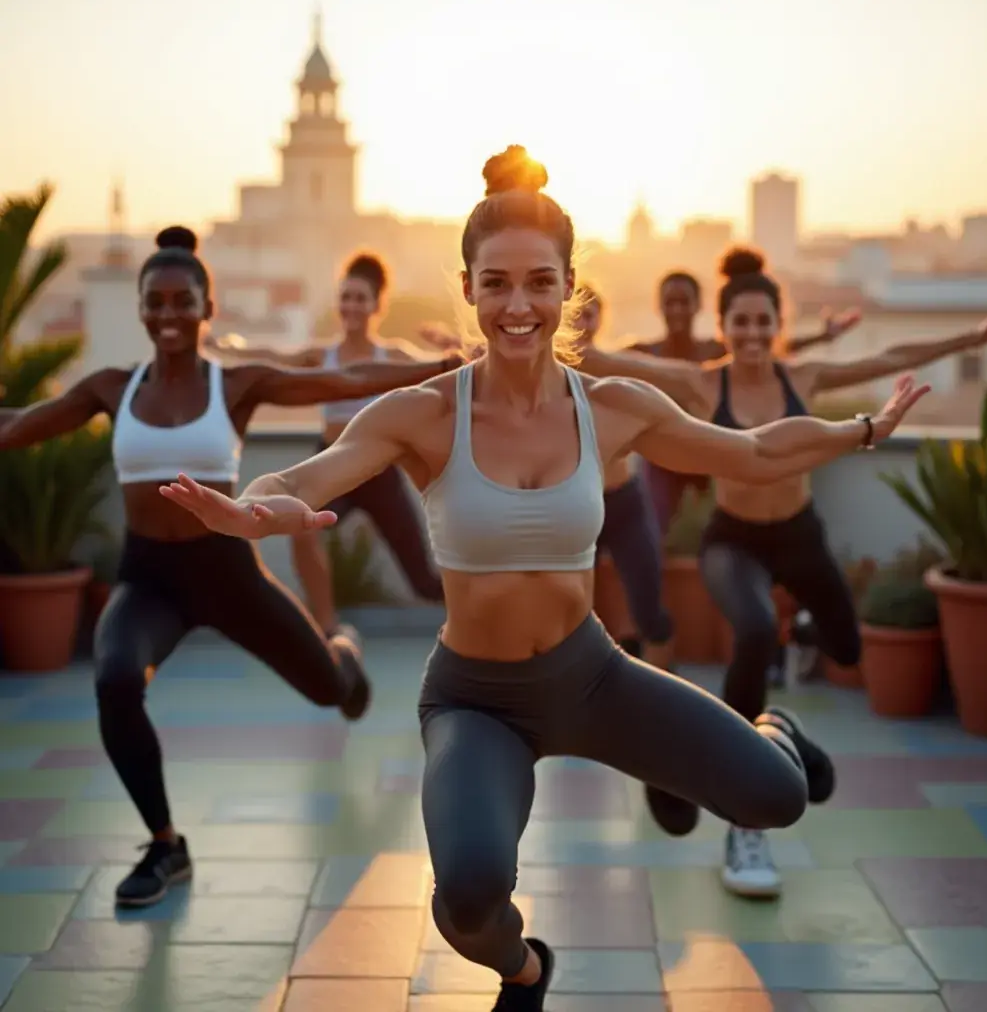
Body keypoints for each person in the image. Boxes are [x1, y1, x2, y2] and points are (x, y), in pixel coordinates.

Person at [161, 146, 928, 1012]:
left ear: (569, 289)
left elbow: (751, 452)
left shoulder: (614, 406)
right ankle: (526, 972)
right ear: (468, 290)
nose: (517, 306)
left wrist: (864, 428)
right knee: (467, 899)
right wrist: (256, 511)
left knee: (778, 798)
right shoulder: (422, 413)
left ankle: (776, 728)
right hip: (475, 700)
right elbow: (305, 476)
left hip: (593, 676)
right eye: (496, 284)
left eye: (538, 283)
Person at [0, 226, 461, 909]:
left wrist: (441, 368)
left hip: (229, 573)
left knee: (331, 690)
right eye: (154, 302)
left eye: (183, 302)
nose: (168, 315)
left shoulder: (238, 384)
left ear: (207, 308)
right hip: (148, 576)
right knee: (117, 676)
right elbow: (18, 424)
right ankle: (164, 844)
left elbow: (344, 378)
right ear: (140, 309)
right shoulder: (110, 387)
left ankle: (344, 655)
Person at [580, 245, 987, 898]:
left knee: (847, 647)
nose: (753, 335)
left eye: (765, 322)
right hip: (732, 541)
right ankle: (740, 785)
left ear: (778, 324)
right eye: (742, 323)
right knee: (755, 630)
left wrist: (974, 336)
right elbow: (608, 360)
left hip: (800, 539)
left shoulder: (805, 376)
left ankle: (796, 672)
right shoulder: (708, 382)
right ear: (724, 326)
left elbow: (889, 359)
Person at [205, 252, 445, 633]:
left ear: (376, 305)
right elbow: (272, 358)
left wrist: (454, 350)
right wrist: (229, 346)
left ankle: (491, 617)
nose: (351, 306)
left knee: (425, 582)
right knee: (301, 529)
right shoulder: (323, 355)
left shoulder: (392, 355)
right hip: (332, 465)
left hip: (379, 474)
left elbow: (441, 370)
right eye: (345, 297)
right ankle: (328, 626)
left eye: (360, 298)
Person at [631, 270, 863, 535]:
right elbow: (604, 362)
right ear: (658, 305)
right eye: (670, 302)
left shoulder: (714, 351)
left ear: (697, 306)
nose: (677, 310)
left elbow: (763, 345)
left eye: (684, 301)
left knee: (714, 522)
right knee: (652, 526)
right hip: (665, 461)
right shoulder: (644, 352)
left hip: (708, 456)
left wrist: (821, 337)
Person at [575, 284, 673, 667]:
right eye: (576, 313)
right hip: (577, 506)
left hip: (624, 501)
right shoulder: (544, 374)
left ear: (602, 318)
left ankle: (665, 688)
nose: (583, 321)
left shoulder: (620, 364)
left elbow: (676, 369)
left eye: (590, 312)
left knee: (649, 606)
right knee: (576, 611)